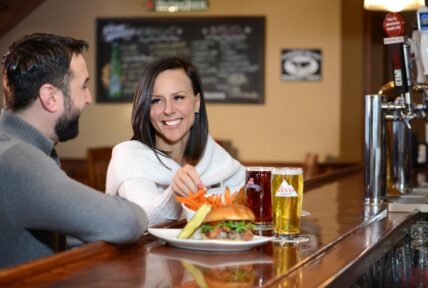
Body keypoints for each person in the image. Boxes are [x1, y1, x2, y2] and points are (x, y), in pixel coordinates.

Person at [0, 33, 148, 268]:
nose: (88, 98)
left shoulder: (14, 148)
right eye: (83, 86)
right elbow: (128, 222)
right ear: (50, 97)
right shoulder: (18, 160)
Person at [106, 57, 245, 226]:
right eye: (156, 100)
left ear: (196, 103)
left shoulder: (208, 149)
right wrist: (175, 195)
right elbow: (143, 219)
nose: (168, 110)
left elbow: (247, 185)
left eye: (178, 97)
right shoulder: (128, 155)